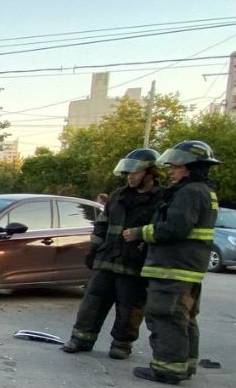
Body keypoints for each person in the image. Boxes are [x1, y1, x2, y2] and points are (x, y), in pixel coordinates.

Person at [122, 140, 220, 385]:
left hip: (173, 268)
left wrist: (140, 233)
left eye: (176, 167)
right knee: (183, 317)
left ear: (190, 167)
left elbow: (175, 228)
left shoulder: (189, 192)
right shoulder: (203, 191)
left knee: (165, 315)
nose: (171, 171)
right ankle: (184, 364)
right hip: (187, 268)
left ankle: (167, 368)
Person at [62, 148, 163, 359]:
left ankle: (122, 344)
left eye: (134, 173)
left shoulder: (161, 199)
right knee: (92, 302)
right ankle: (81, 339)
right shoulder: (118, 195)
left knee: (130, 308)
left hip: (135, 263)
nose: (130, 177)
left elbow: (163, 230)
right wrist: (94, 250)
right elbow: (102, 224)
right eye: (127, 173)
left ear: (150, 172)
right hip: (107, 260)